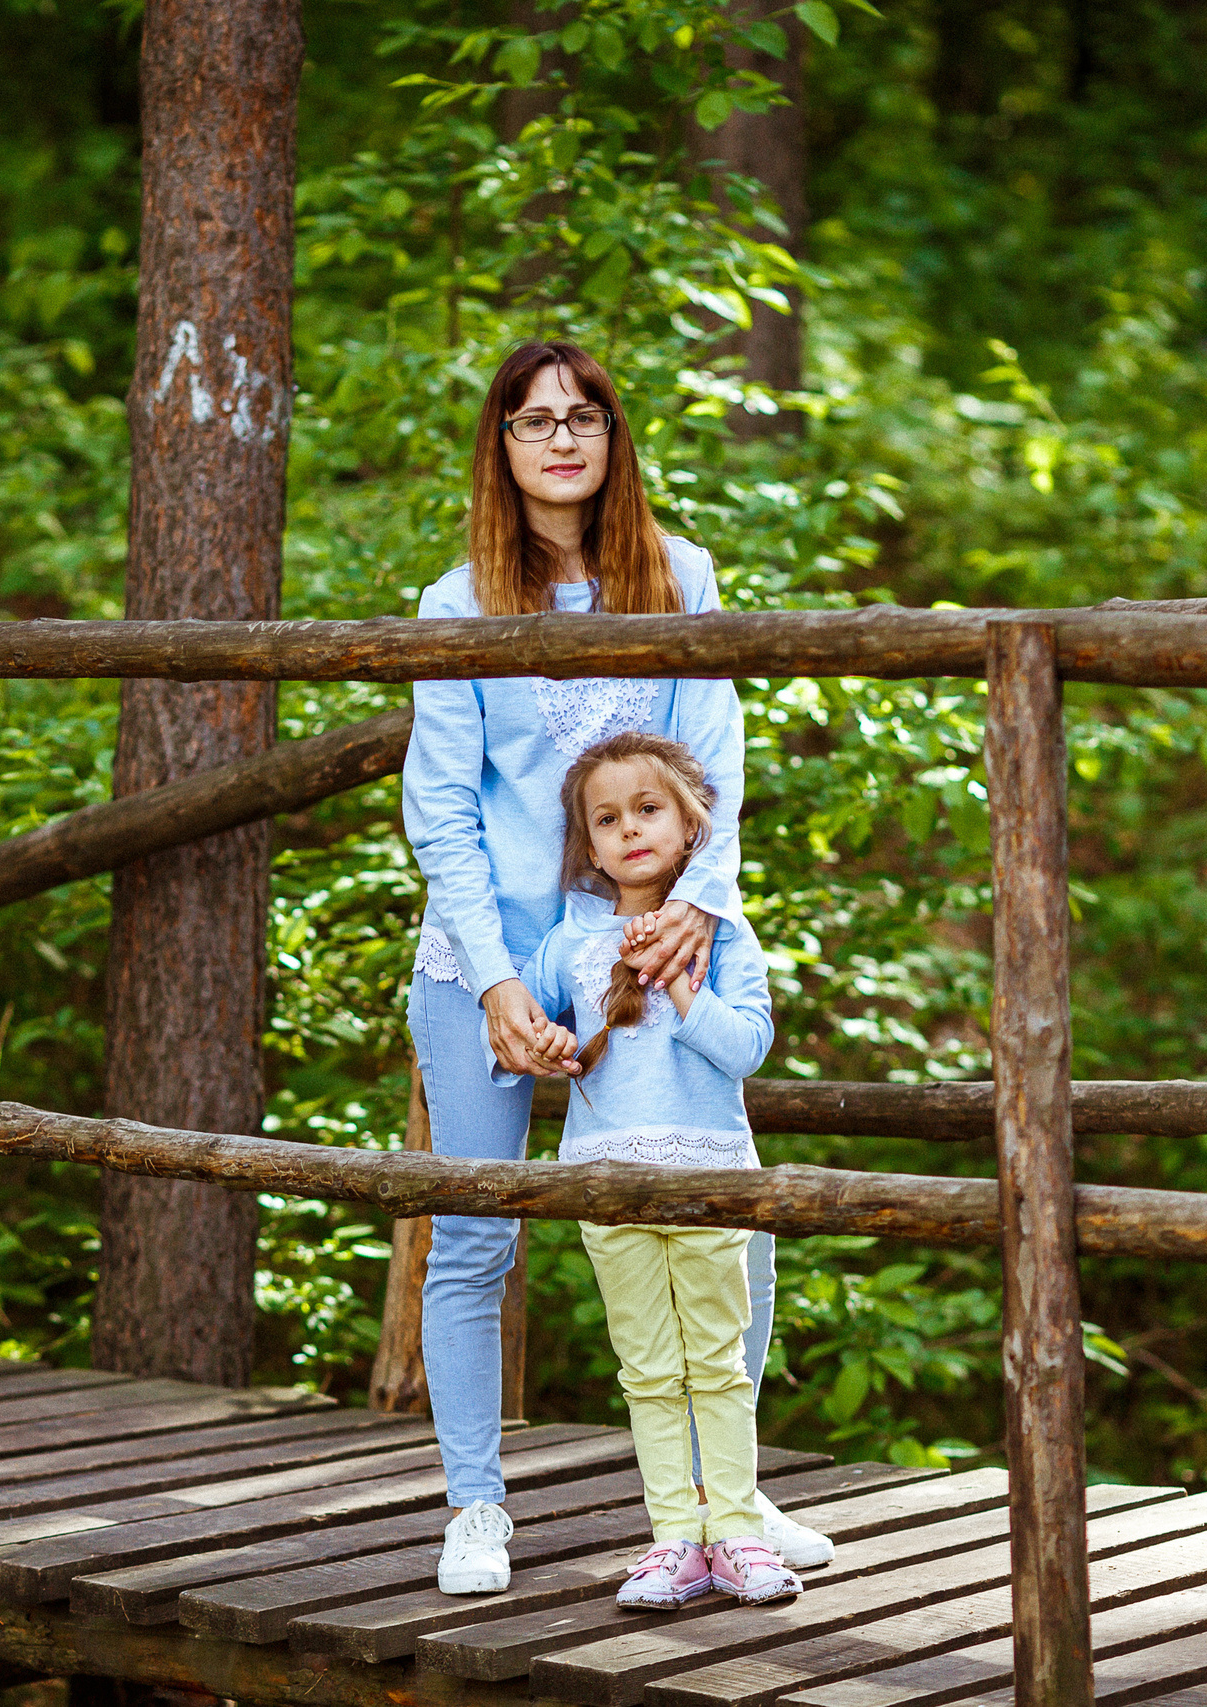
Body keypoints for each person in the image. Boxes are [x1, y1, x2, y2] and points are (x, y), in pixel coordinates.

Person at [402, 339, 831, 1594]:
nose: (561, 438)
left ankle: (730, 1502)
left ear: (612, 436)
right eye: (533, 421)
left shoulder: (679, 575)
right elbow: (444, 814)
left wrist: (693, 912)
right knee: (477, 1233)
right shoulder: (456, 604)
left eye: (583, 415)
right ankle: (476, 1506)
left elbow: (719, 763)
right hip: (487, 953)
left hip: (652, 944)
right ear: (501, 447)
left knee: (722, 1208)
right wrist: (495, 984)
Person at [504, 732, 801, 1607]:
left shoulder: (724, 932)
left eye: (648, 808)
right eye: (608, 817)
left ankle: (737, 1534)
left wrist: (680, 987)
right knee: (646, 1368)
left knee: (715, 1361)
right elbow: (533, 1025)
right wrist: (550, 1042)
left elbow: (747, 1048)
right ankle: (675, 1536)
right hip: (607, 1183)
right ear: (588, 845)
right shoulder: (567, 944)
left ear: (689, 824)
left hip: (709, 1181)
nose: (630, 829)